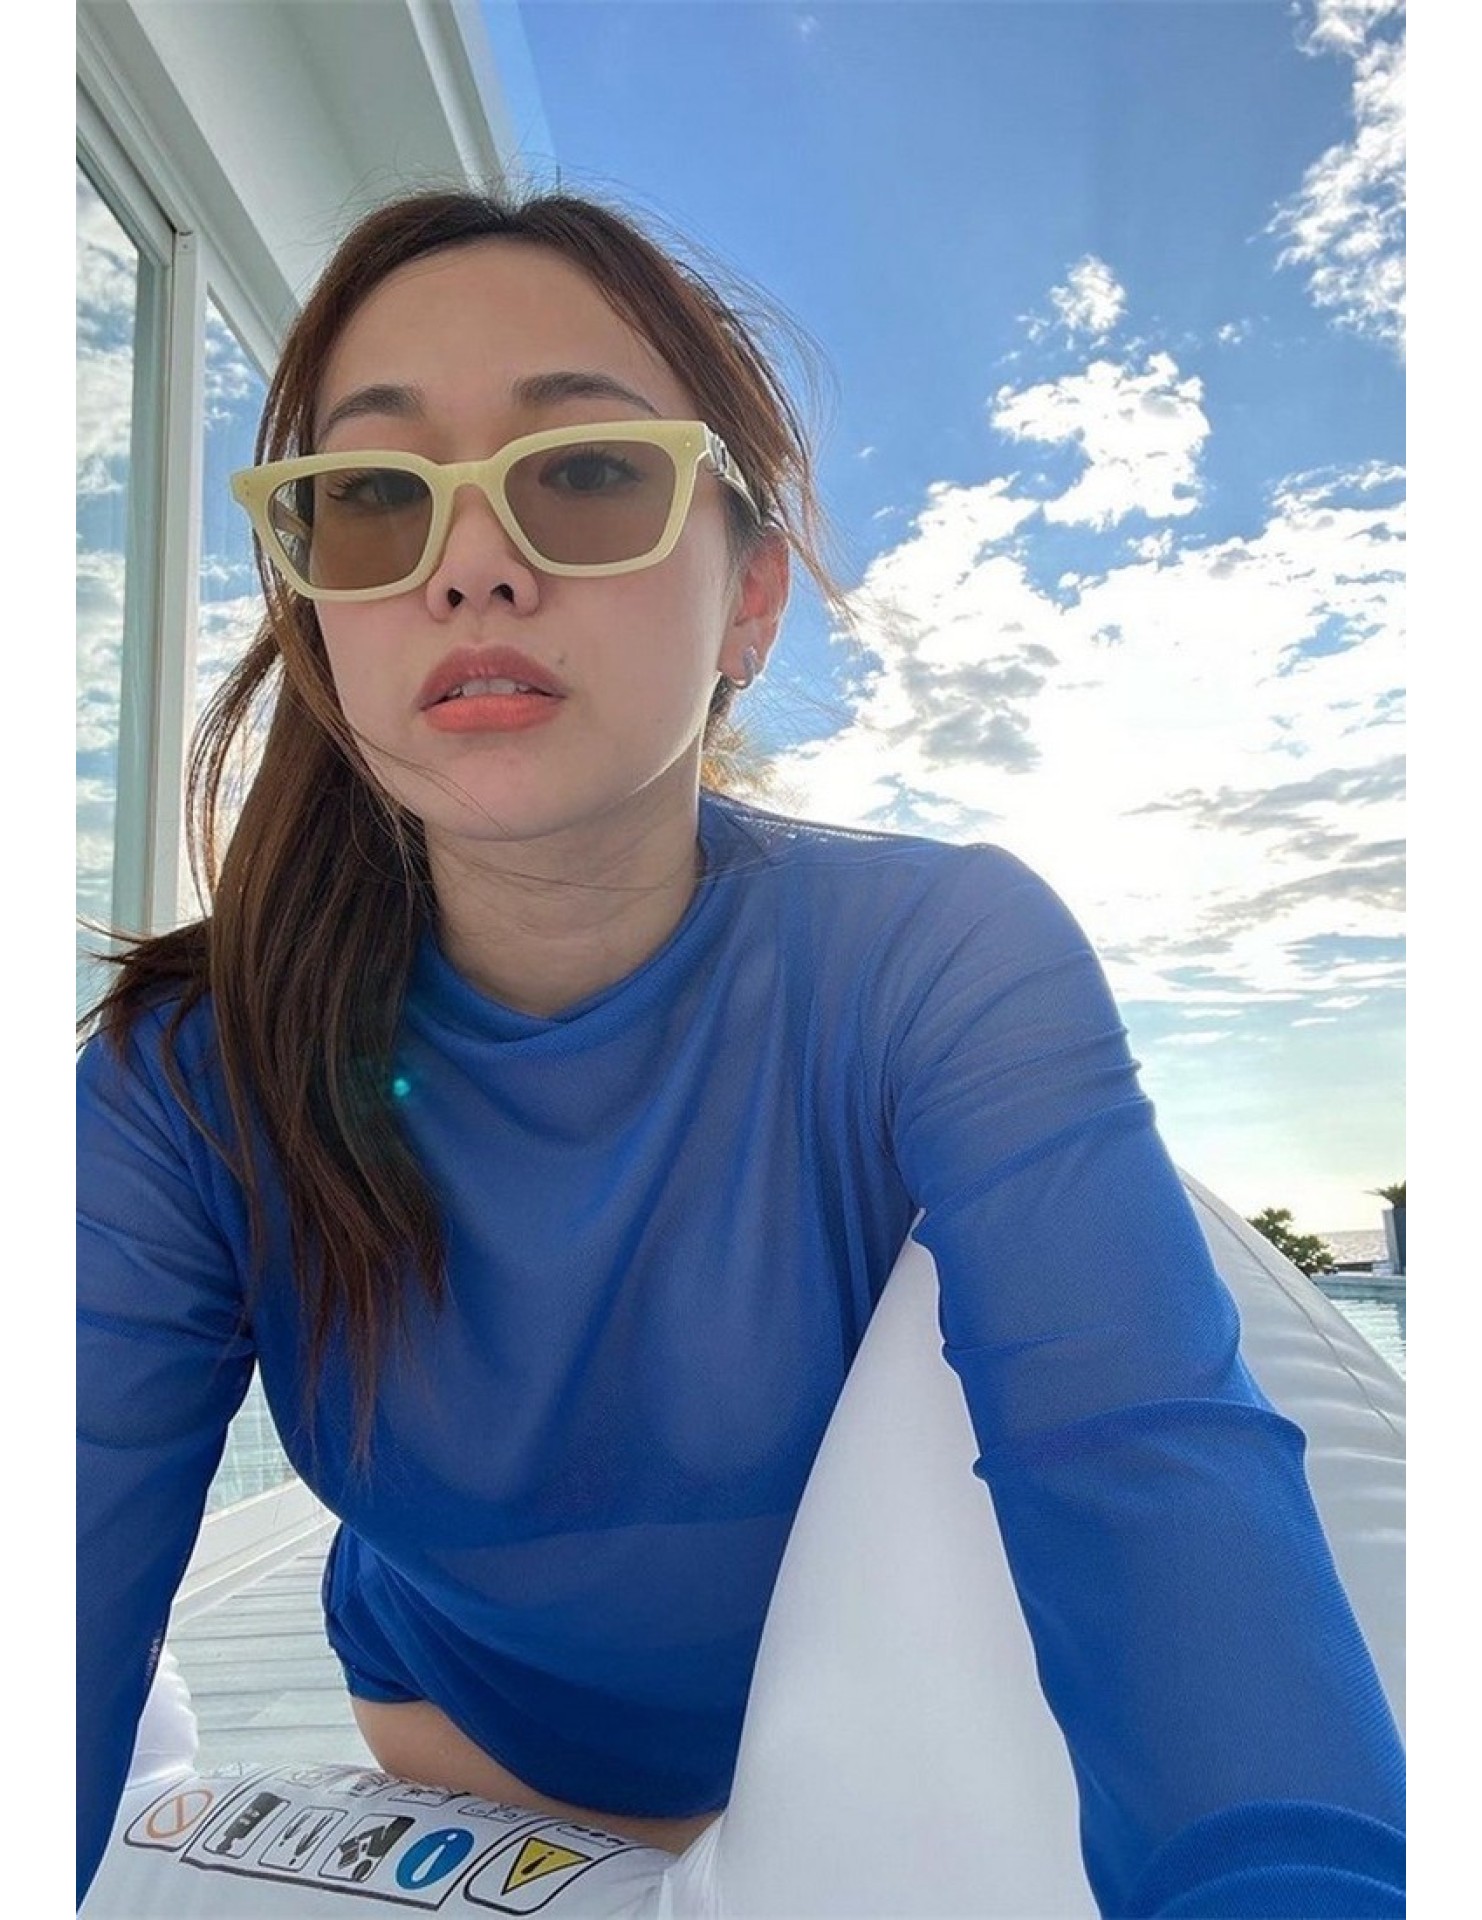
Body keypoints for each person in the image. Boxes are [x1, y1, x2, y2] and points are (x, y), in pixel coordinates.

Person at [77, 186, 1404, 1915]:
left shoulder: (937, 956)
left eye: (586, 472)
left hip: (850, 1727)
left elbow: (1148, 1478)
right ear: (320, 610)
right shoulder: (190, 1081)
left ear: (752, 598)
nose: (469, 563)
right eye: (373, 497)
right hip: (467, 1747)